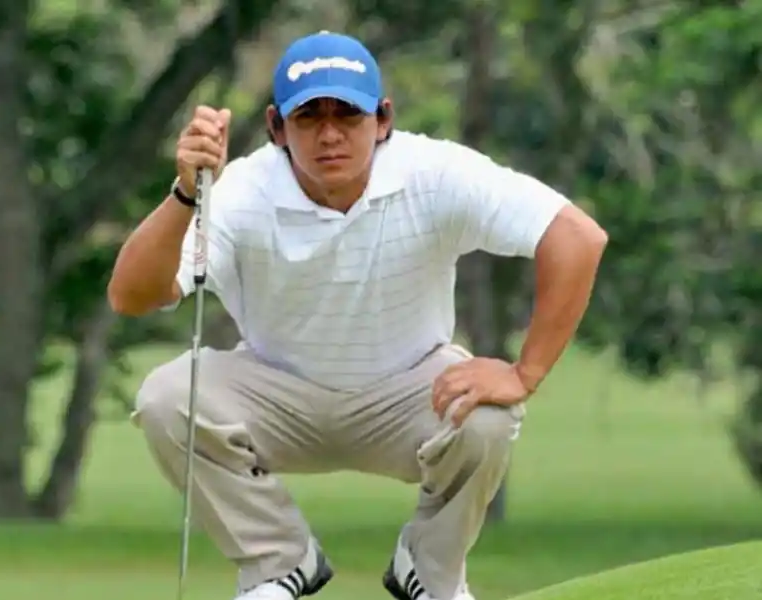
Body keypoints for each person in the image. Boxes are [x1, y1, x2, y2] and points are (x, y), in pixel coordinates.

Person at [108, 30, 607, 600]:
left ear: (383, 119)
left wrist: (524, 373)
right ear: (276, 127)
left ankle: (431, 572)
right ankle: (277, 564)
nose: (329, 134)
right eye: (309, 117)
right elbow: (132, 296)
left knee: (489, 417)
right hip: (277, 393)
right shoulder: (242, 189)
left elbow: (577, 237)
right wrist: (185, 194)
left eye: (348, 114)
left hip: (409, 392)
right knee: (167, 398)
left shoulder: (434, 172)